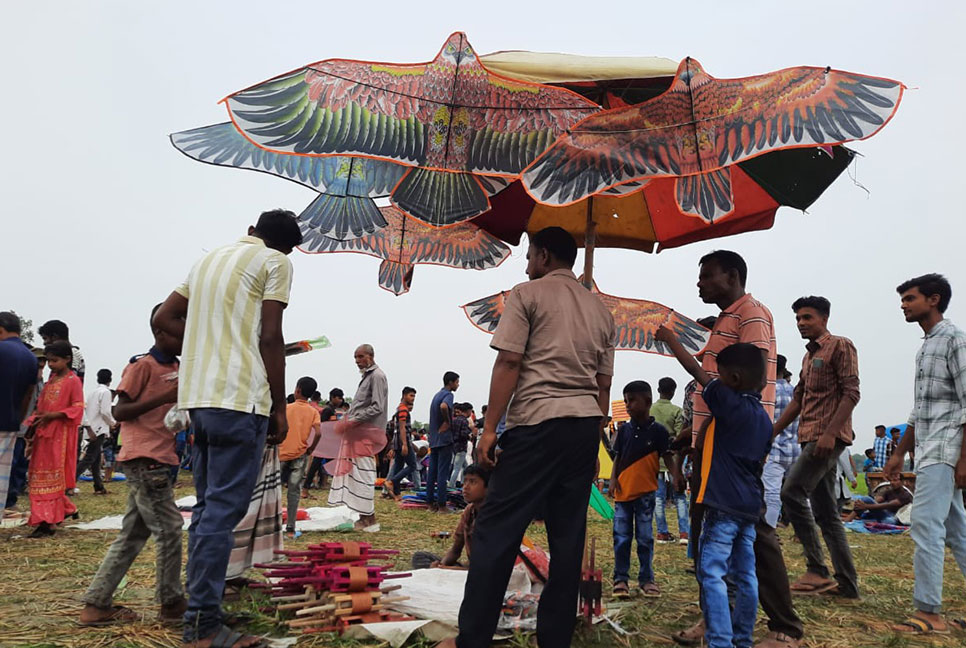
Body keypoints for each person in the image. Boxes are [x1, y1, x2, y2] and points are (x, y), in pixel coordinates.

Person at [436, 226, 615, 648]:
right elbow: (604, 384)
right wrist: (595, 440)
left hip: (536, 422)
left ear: (546, 255)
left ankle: (473, 638)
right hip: (583, 427)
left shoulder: (526, 294)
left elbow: (510, 362)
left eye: (530, 253)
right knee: (568, 537)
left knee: (497, 531)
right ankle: (554, 640)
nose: (527, 261)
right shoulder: (602, 312)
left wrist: (491, 428)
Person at [153, 208, 301, 648]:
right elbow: (271, 337)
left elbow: (163, 319)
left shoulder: (208, 260)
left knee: (206, 509)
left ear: (252, 230)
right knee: (221, 512)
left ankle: (205, 604)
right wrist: (279, 405)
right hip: (240, 398)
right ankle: (202, 626)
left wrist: (206, 344)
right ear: (287, 245)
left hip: (200, 398)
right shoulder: (277, 262)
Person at [674, 251, 803, 648]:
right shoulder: (726, 319)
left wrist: (749, 441)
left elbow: (752, 378)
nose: (700, 283)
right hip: (712, 439)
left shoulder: (752, 315)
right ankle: (716, 619)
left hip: (735, 443)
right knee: (708, 528)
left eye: (707, 276)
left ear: (731, 276)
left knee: (755, 533)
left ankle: (785, 626)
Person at [659, 327, 773, 648]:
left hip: (720, 506)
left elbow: (696, 371)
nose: (716, 380)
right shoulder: (764, 419)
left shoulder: (728, 400)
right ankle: (742, 639)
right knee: (746, 575)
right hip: (749, 508)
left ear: (734, 379)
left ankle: (719, 640)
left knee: (712, 573)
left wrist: (671, 341)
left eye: (721, 375)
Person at [79, 304, 185, 626]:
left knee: (132, 535)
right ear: (161, 330)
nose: (186, 337)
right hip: (144, 458)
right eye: (181, 330)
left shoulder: (180, 365)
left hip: (161, 456)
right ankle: (172, 603)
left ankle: (96, 604)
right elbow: (122, 411)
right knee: (170, 530)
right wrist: (166, 396)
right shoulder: (143, 366)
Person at [885, 273, 966, 635]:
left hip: (946, 451)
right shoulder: (925, 347)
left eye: (910, 298)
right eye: (903, 299)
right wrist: (900, 453)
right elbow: (920, 410)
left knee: (925, 527)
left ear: (933, 300)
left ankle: (929, 613)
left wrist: (964, 459)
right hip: (931, 450)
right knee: (957, 531)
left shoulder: (955, 341)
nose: (904, 304)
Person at [775, 296, 860, 599]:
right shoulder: (808, 357)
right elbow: (798, 398)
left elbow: (851, 393)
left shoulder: (840, 346)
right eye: (798, 318)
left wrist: (830, 434)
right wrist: (772, 430)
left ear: (824, 317)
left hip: (827, 439)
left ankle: (817, 570)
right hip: (809, 436)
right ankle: (847, 586)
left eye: (807, 317)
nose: (801, 323)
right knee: (826, 514)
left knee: (791, 492)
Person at [610, 380, 679, 598]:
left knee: (645, 538)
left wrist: (676, 476)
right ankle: (621, 579)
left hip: (646, 494)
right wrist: (612, 480)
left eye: (632, 401)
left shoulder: (658, 431)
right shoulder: (623, 431)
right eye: (626, 401)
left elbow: (667, 456)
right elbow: (617, 458)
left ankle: (646, 579)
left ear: (647, 402)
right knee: (621, 537)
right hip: (623, 493)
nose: (628, 405)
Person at [23, 341, 84, 537]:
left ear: (67, 359)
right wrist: (34, 422)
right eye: (48, 361)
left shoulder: (73, 381)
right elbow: (41, 407)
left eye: (54, 360)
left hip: (60, 434)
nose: (50, 364)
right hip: (43, 434)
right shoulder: (50, 381)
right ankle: (53, 515)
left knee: (53, 478)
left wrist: (55, 415)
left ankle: (48, 523)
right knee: (38, 476)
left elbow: (78, 407)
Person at [328, 344, 388, 531]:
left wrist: (352, 421)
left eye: (360, 357)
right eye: (355, 357)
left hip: (366, 433)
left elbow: (377, 407)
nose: (357, 361)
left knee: (363, 474)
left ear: (371, 356)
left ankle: (368, 518)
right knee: (357, 474)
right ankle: (365, 516)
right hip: (358, 433)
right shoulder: (367, 377)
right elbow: (361, 406)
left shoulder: (377, 376)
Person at [0, 311, 39, 517]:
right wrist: (19, 416)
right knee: (2, 474)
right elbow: (29, 394)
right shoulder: (31, 357)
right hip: (11, 421)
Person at [762, 355, 800, 529]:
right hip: (795, 449)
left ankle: (769, 530)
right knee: (799, 493)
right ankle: (801, 532)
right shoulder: (795, 392)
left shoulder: (767, 392)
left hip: (774, 450)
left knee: (771, 493)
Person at [280, 376, 321, 538]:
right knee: (294, 490)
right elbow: (318, 433)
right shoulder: (313, 412)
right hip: (300, 453)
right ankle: (290, 527)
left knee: (273, 489)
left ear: (297, 390)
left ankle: (269, 523)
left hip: (282, 452)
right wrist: (311, 448)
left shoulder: (286, 408)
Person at [650, 376, 689, 545]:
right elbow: (680, 436)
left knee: (657, 498)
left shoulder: (650, 409)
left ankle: (662, 533)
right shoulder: (677, 411)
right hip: (673, 460)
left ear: (658, 390)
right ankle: (684, 534)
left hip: (654, 460)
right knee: (680, 496)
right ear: (673, 392)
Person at [438, 464, 490, 567]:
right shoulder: (469, 511)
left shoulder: (494, 515)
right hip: (471, 567)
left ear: (488, 487)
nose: (465, 487)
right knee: (421, 557)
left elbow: (489, 564)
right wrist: (441, 566)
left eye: (472, 482)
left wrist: (450, 570)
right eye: (465, 481)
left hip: (488, 570)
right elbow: (455, 550)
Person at [76, 368, 116, 495]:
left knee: (96, 460)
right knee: (89, 458)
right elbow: (105, 411)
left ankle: (99, 486)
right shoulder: (106, 392)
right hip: (99, 429)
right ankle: (69, 483)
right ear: (110, 379)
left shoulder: (92, 392)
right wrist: (113, 423)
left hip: (91, 427)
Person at [427, 371, 459, 513]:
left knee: (431, 473)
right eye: (457, 382)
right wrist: (447, 421)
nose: (458, 385)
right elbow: (444, 407)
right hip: (444, 439)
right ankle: (441, 505)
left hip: (434, 439)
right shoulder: (448, 395)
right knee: (442, 473)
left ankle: (430, 504)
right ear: (451, 382)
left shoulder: (436, 395)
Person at [303, 388, 345, 492]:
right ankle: (306, 486)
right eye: (339, 398)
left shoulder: (333, 411)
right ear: (333, 397)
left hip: (329, 444)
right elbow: (323, 426)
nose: (341, 400)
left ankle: (329, 485)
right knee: (316, 465)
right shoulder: (328, 410)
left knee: (328, 464)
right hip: (324, 443)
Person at [385, 386, 419, 498]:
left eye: (414, 396)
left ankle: (397, 494)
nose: (413, 398)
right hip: (403, 441)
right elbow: (402, 428)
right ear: (404, 395)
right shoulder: (403, 410)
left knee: (398, 466)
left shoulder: (399, 409)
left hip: (397, 442)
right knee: (412, 465)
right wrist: (405, 444)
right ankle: (392, 481)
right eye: (411, 395)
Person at [845, 473, 911, 525]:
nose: (892, 483)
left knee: (889, 521)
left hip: (895, 517)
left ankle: (861, 518)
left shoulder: (906, 494)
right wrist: (864, 505)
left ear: (902, 482)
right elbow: (878, 500)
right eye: (891, 480)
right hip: (884, 513)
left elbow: (889, 504)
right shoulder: (889, 491)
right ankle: (849, 518)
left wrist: (866, 506)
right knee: (865, 499)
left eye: (895, 480)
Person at [448, 402, 473, 489]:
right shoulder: (464, 421)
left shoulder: (454, 420)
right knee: (457, 467)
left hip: (455, 446)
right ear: (468, 411)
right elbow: (463, 434)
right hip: (461, 447)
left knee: (465, 467)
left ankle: (463, 483)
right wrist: (469, 435)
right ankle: (451, 485)